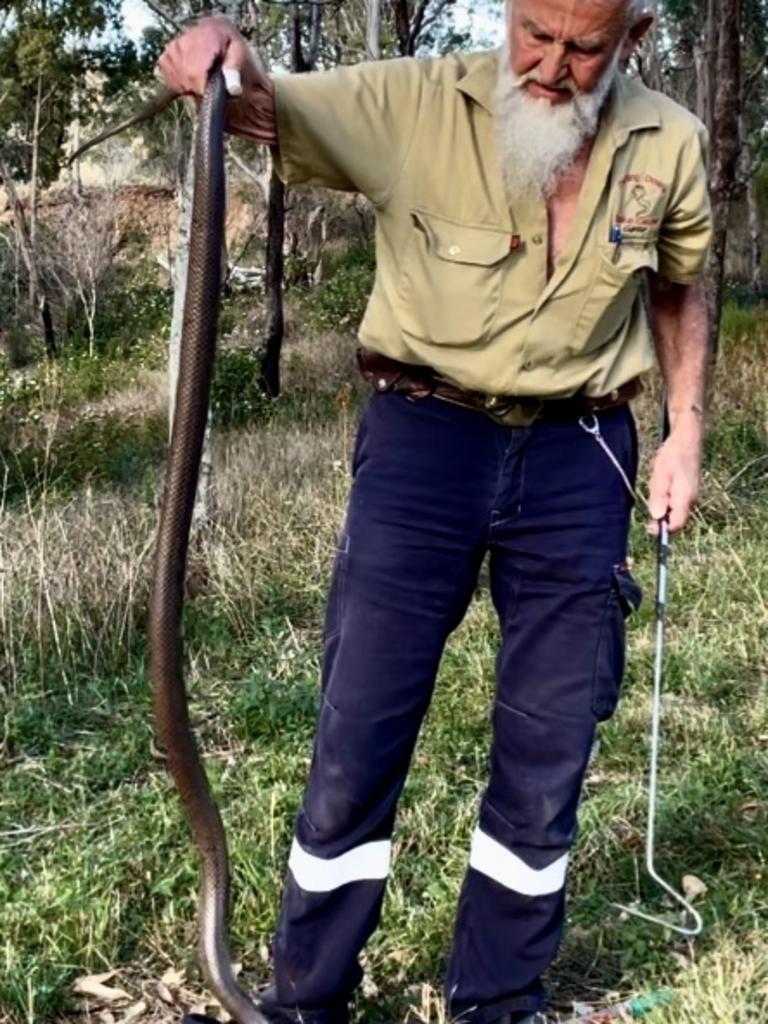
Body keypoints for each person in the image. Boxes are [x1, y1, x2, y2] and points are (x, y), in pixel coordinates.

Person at [159, 1, 712, 1022]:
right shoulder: (412, 101)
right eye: (534, 31)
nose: (549, 64)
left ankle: (499, 997)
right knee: (360, 724)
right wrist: (219, 59)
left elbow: (678, 286)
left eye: (584, 46)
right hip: (425, 443)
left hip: (581, 452)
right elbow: (260, 108)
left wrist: (684, 430)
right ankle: (305, 995)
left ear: (631, 40)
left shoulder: (670, 142)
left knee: (551, 744)